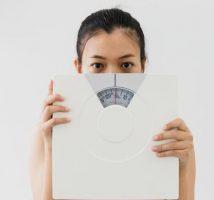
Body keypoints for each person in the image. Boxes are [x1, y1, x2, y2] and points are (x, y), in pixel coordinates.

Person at [29, 8, 196, 200]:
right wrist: (52, 146)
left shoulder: (173, 137)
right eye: (98, 66)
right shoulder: (46, 135)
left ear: (143, 66)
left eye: (126, 65)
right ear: (78, 67)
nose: (112, 77)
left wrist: (182, 167)